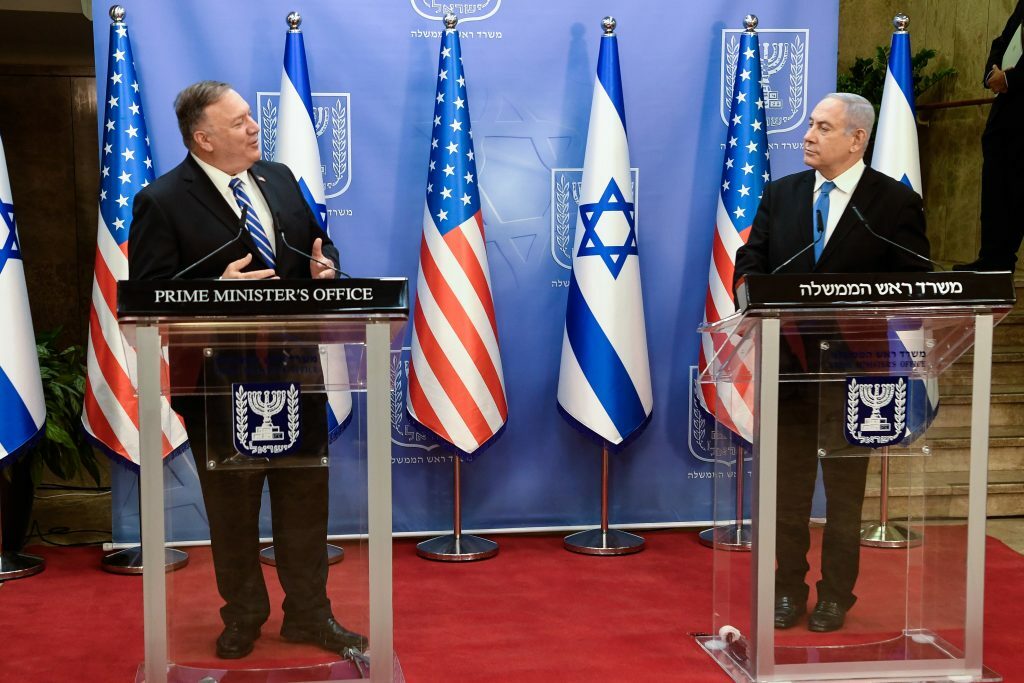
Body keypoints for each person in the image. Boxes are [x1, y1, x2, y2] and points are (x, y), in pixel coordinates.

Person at [128, 81, 363, 659]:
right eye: (238, 122)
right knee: (232, 511)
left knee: (304, 503)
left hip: (295, 371)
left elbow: (319, 246)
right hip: (216, 380)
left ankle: (310, 615)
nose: (254, 127)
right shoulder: (163, 200)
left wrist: (325, 267)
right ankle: (243, 616)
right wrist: (216, 289)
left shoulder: (278, 179)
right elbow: (146, 293)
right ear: (203, 139)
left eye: (250, 118)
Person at [734, 93, 931, 632]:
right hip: (791, 369)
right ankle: (786, 590)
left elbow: (916, 282)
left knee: (845, 498)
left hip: (859, 374)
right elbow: (750, 260)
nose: (809, 135)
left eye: (824, 127)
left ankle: (835, 596)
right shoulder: (783, 193)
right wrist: (751, 292)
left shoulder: (893, 202)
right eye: (811, 124)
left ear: (856, 139)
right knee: (788, 495)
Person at [955, 0, 1024, 271]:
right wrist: (991, 74)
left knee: (1018, 191)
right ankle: (992, 260)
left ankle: (1001, 260)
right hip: (1005, 113)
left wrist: (1010, 79)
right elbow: (1002, 40)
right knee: (996, 189)